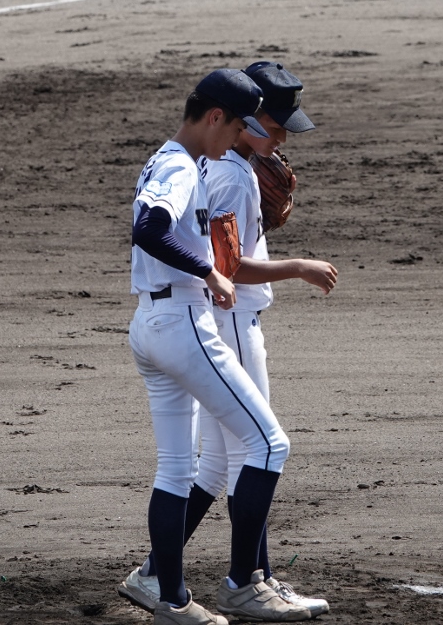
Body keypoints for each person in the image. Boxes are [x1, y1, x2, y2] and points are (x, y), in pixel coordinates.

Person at [120, 62, 337, 621]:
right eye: (239, 125)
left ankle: (167, 594)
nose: (243, 135)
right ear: (215, 117)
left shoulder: (171, 160)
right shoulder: (187, 168)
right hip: (186, 322)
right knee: (265, 446)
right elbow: (150, 230)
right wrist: (211, 271)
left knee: (181, 468)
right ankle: (245, 582)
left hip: (152, 321)